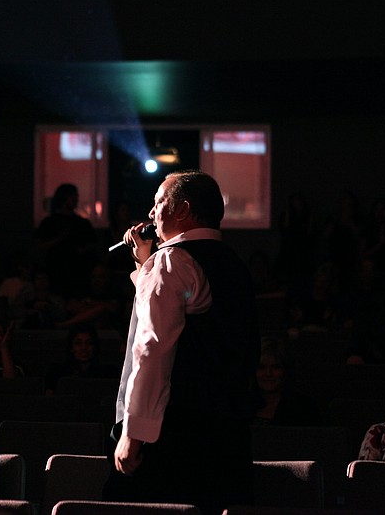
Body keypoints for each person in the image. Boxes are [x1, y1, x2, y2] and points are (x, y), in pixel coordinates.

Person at [103, 170, 259, 515]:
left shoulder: (172, 260)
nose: (151, 214)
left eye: (159, 203)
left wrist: (134, 432)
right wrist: (146, 265)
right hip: (225, 430)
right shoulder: (232, 263)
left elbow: (153, 348)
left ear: (183, 210)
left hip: (176, 434)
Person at [34, 183, 97, 298]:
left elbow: (93, 244)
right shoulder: (50, 222)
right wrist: (59, 239)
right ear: (64, 197)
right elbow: (39, 246)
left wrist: (83, 250)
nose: (76, 199)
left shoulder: (82, 223)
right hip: (56, 271)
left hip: (77, 272)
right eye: (72, 196)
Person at [251, 337, 319, 426]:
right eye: (261, 367)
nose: (268, 373)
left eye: (275, 367)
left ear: (285, 370)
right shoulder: (241, 404)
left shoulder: (305, 408)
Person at [44, 323, 119, 394]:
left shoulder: (108, 372)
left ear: (95, 346)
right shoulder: (56, 372)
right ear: (71, 347)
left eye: (89, 343)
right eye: (78, 343)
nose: (84, 348)